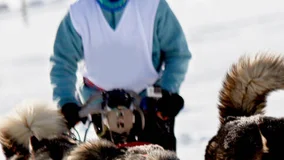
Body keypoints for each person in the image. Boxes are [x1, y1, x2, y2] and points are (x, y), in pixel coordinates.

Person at [49, 0, 191, 150]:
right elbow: (62, 62)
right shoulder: (79, 14)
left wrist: (167, 90)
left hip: (150, 107)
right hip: (102, 110)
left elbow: (177, 54)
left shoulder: (153, 6)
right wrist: (66, 102)